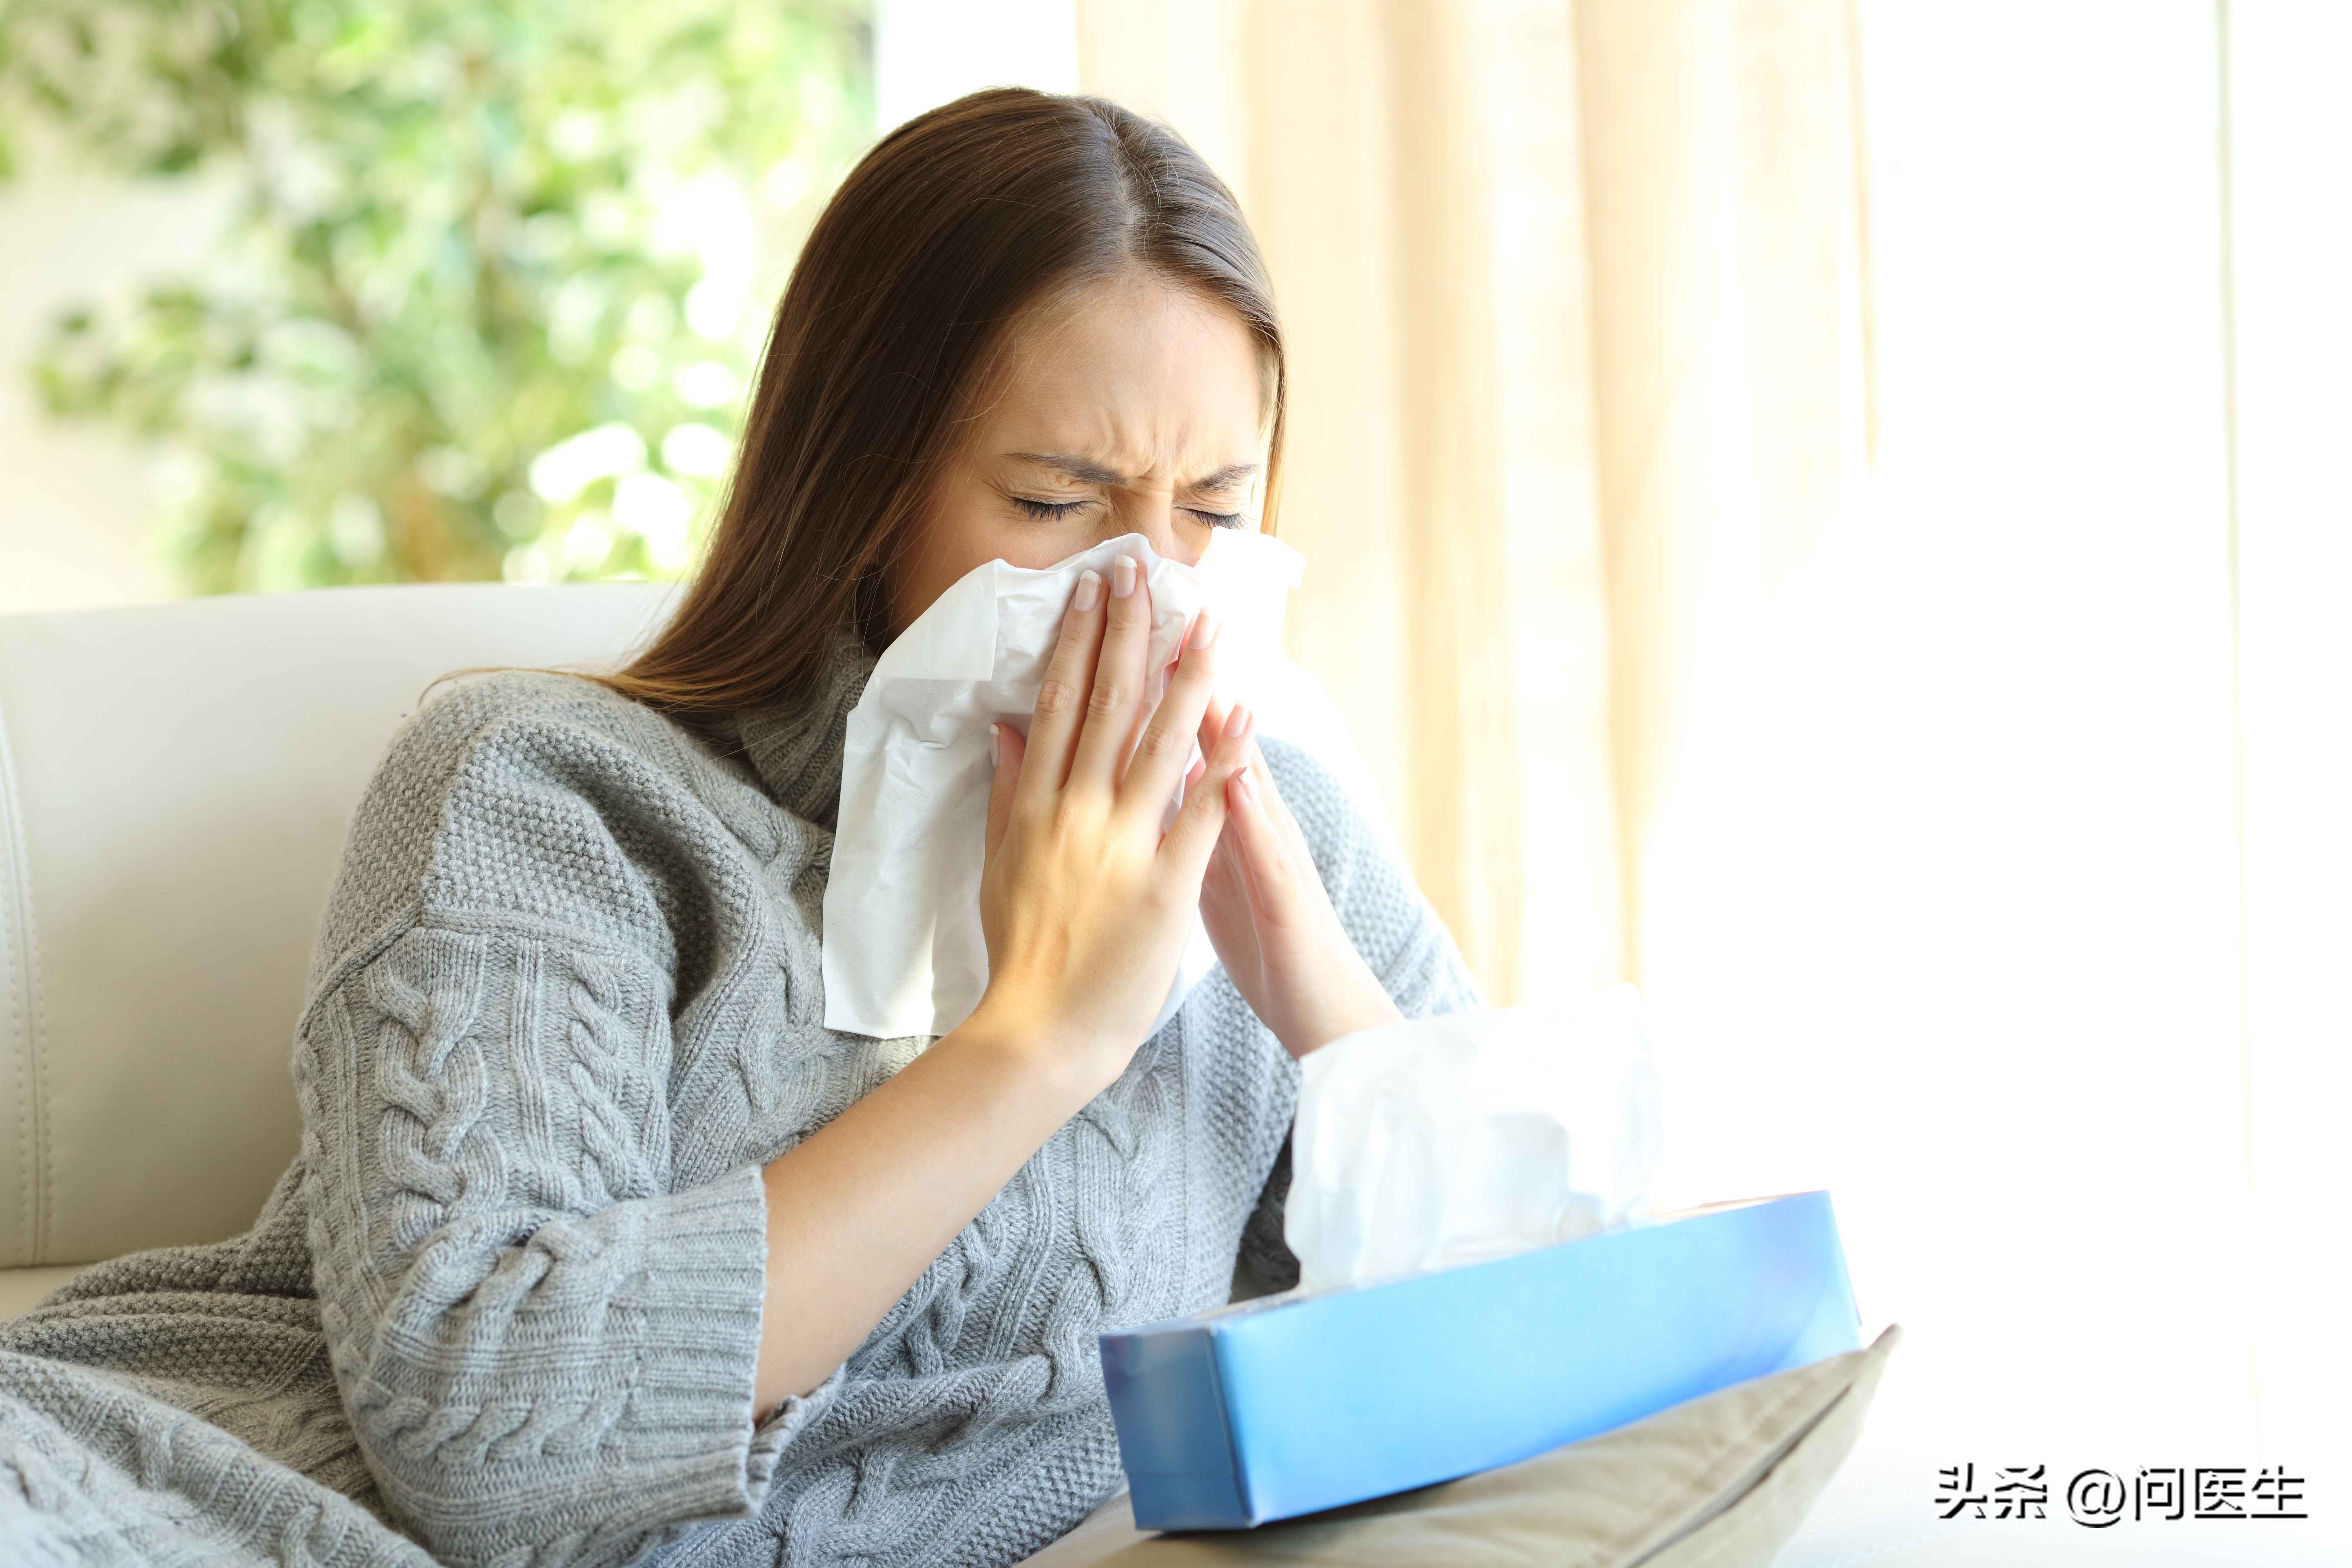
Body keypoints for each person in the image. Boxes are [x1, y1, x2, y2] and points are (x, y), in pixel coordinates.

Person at [0, 88, 1481, 1567]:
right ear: (864, 489)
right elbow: (489, 1437)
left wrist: (1333, 1019)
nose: (1145, 594)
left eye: (1215, 510)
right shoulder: (544, 795)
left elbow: (1541, 1304)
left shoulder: (1270, 824)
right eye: (1053, 502)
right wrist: (1039, 1038)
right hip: (190, 1505)